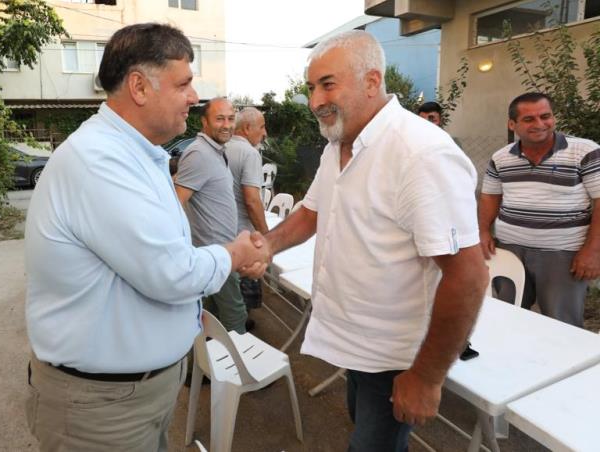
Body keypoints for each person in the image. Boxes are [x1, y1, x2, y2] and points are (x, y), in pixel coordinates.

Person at [24, 23, 268, 452]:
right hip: (103, 410)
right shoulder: (99, 161)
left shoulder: (135, 155)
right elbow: (171, 273)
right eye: (184, 84)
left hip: (133, 394)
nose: (194, 97)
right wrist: (234, 252)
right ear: (139, 86)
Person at [261, 30, 488, 451]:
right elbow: (311, 212)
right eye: (311, 87)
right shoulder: (338, 144)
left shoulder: (420, 153)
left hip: (394, 358)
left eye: (328, 84)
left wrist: (426, 377)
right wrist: (267, 246)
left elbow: (468, 276)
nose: (314, 101)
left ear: (371, 81)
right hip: (355, 345)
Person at [479, 92, 600, 327]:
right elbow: (489, 197)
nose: (540, 124)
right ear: (512, 124)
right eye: (529, 119)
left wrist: (593, 251)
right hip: (510, 249)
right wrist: (483, 231)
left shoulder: (585, 152)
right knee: (507, 317)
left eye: (545, 116)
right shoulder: (501, 158)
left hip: (563, 254)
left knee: (561, 323)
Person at [174, 97, 251, 333]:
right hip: (215, 252)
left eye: (230, 119)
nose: (226, 125)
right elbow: (176, 204)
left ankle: (208, 355)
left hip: (220, 250)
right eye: (219, 119)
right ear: (204, 122)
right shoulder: (199, 153)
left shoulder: (215, 151)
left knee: (212, 315)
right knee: (236, 313)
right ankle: (239, 357)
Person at [226, 107, 269, 310]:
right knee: (241, 303)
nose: (264, 132)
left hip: (221, 234)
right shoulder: (250, 154)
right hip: (243, 236)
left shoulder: (223, 147)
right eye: (261, 127)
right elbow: (252, 200)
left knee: (225, 296)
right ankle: (241, 326)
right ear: (246, 128)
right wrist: (267, 235)